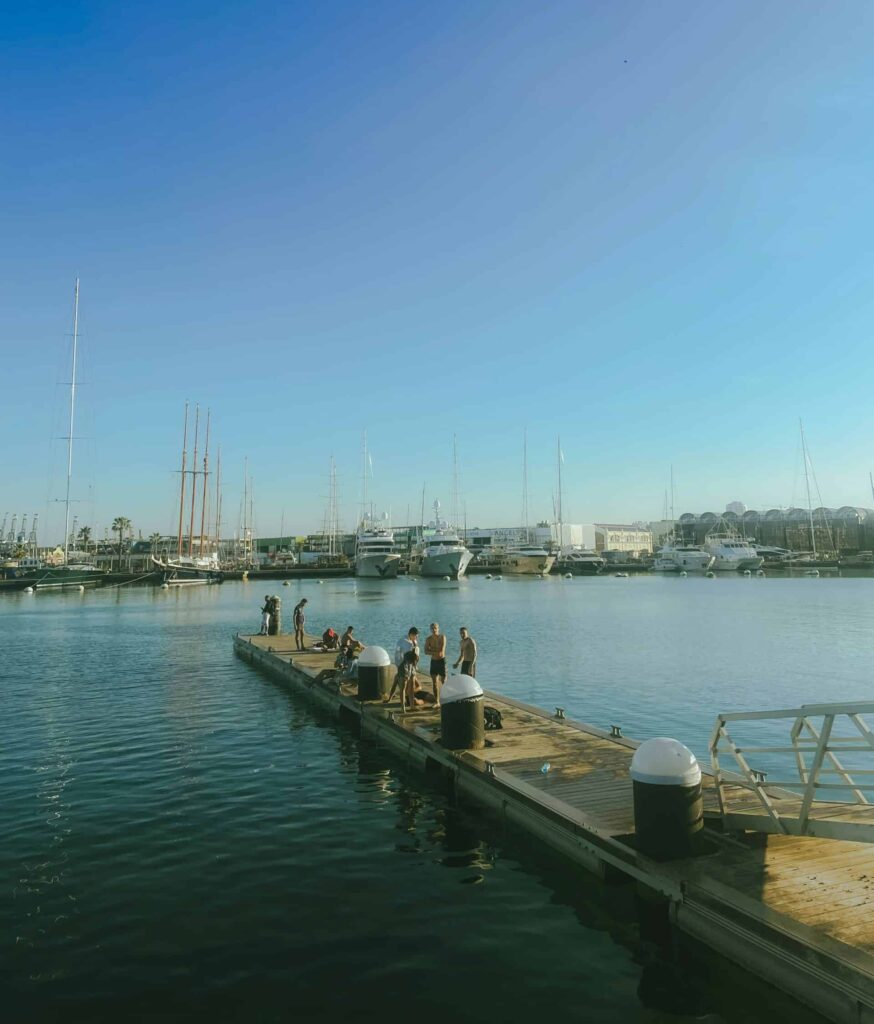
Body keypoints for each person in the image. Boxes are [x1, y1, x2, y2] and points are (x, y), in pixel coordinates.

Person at [388, 627, 419, 705]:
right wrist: (399, 665)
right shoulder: (402, 641)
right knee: (402, 686)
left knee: (411, 686)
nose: (416, 638)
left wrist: (415, 666)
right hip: (403, 665)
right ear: (411, 634)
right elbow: (397, 653)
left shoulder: (414, 641)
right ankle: (402, 707)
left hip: (411, 665)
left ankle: (412, 706)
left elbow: (415, 656)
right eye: (415, 636)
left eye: (417, 636)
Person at [424, 621, 447, 706]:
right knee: (434, 683)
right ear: (430, 629)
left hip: (441, 661)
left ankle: (446, 699)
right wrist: (434, 652)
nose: (434, 630)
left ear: (438, 629)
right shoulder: (428, 639)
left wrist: (432, 651)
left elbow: (441, 651)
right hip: (433, 662)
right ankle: (437, 701)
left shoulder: (442, 637)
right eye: (432, 628)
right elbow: (425, 651)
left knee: (444, 682)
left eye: (435, 628)